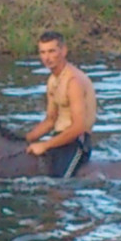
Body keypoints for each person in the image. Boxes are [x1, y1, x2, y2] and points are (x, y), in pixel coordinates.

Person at [25, 31, 98, 177]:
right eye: (43, 52)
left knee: (58, 184)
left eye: (52, 51)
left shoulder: (73, 81)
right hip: (59, 139)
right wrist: (24, 140)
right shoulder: (53, 80)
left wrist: (45, 145)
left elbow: (79, 127)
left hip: (76, 143)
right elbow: (50, 120)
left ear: (63, 51)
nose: (47, 57)